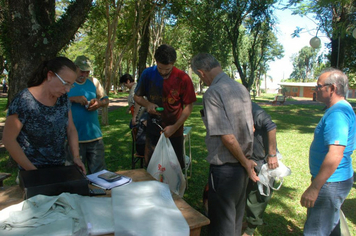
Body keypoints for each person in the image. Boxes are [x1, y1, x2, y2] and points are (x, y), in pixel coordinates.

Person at [191, 52, 259, 236]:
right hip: (242, 167)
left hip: (226, 169)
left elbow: (227, 137)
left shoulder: (213, 92)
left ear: (201, 73)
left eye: (199, 77)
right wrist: (246, 162)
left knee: (222, 225)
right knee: (235, 220)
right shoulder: (241, 88)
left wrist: (245, 163)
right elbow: (250, 127)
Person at [1, 57, 85, 173]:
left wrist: (76, 157)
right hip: (31, 171)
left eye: (71, 85)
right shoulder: (24, 100)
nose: (67, 90)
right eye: (65, 83)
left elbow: (70, 129)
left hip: (59, 168)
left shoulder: (63, 99)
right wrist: (34, 172)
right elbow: (8, 140)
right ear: (50, 75)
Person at [300, 68, 356, 235]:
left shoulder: (338, 113)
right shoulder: (340, 109)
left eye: (318, 86)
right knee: (330, 228)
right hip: (334, 180)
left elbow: (335, 153)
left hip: (330, 182)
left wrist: (315, 187)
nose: (315, 90)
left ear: (332, 88)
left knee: (315, 231)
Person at [134, 44, 196, 169]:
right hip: (152, 129)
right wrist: (148, 104)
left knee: (175, 169)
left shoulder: (183, 78)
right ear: (156, 61)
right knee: (152, 168)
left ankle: (173, 189)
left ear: (173, 63)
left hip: (175, 131)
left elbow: (189, 106)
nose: (163, 72)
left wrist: (174, 127)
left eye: (167, 70)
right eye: (160, 68)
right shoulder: (147, 74)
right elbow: (137, 97)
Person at [66, 55, 109, 174]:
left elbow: (106, 100)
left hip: (94, 137)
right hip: (73, 139)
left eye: (87, 72)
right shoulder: (67, 83)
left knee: (99, 174)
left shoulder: (93, 82)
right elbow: (55, 101)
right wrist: (73, 99)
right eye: (81, 71)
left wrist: (99, 103)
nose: (84, 75)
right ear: (75, 68)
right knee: (74, 174)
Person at [243, 102, 278, 236]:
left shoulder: (252, 108)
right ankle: (248, 223)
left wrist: (272, 154)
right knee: (248, 192)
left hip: (263, 159)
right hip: (249, 157)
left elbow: (271, 126)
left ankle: (250, 230)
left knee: (258, 196)